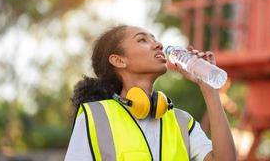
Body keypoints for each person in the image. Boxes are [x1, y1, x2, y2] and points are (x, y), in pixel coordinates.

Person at [64, 25, 237, 161]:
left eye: (154, 39)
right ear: (119, 60)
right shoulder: (95, 116)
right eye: (142, 40)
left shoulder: (182, 121)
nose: (159, 44)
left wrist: (209, 90)